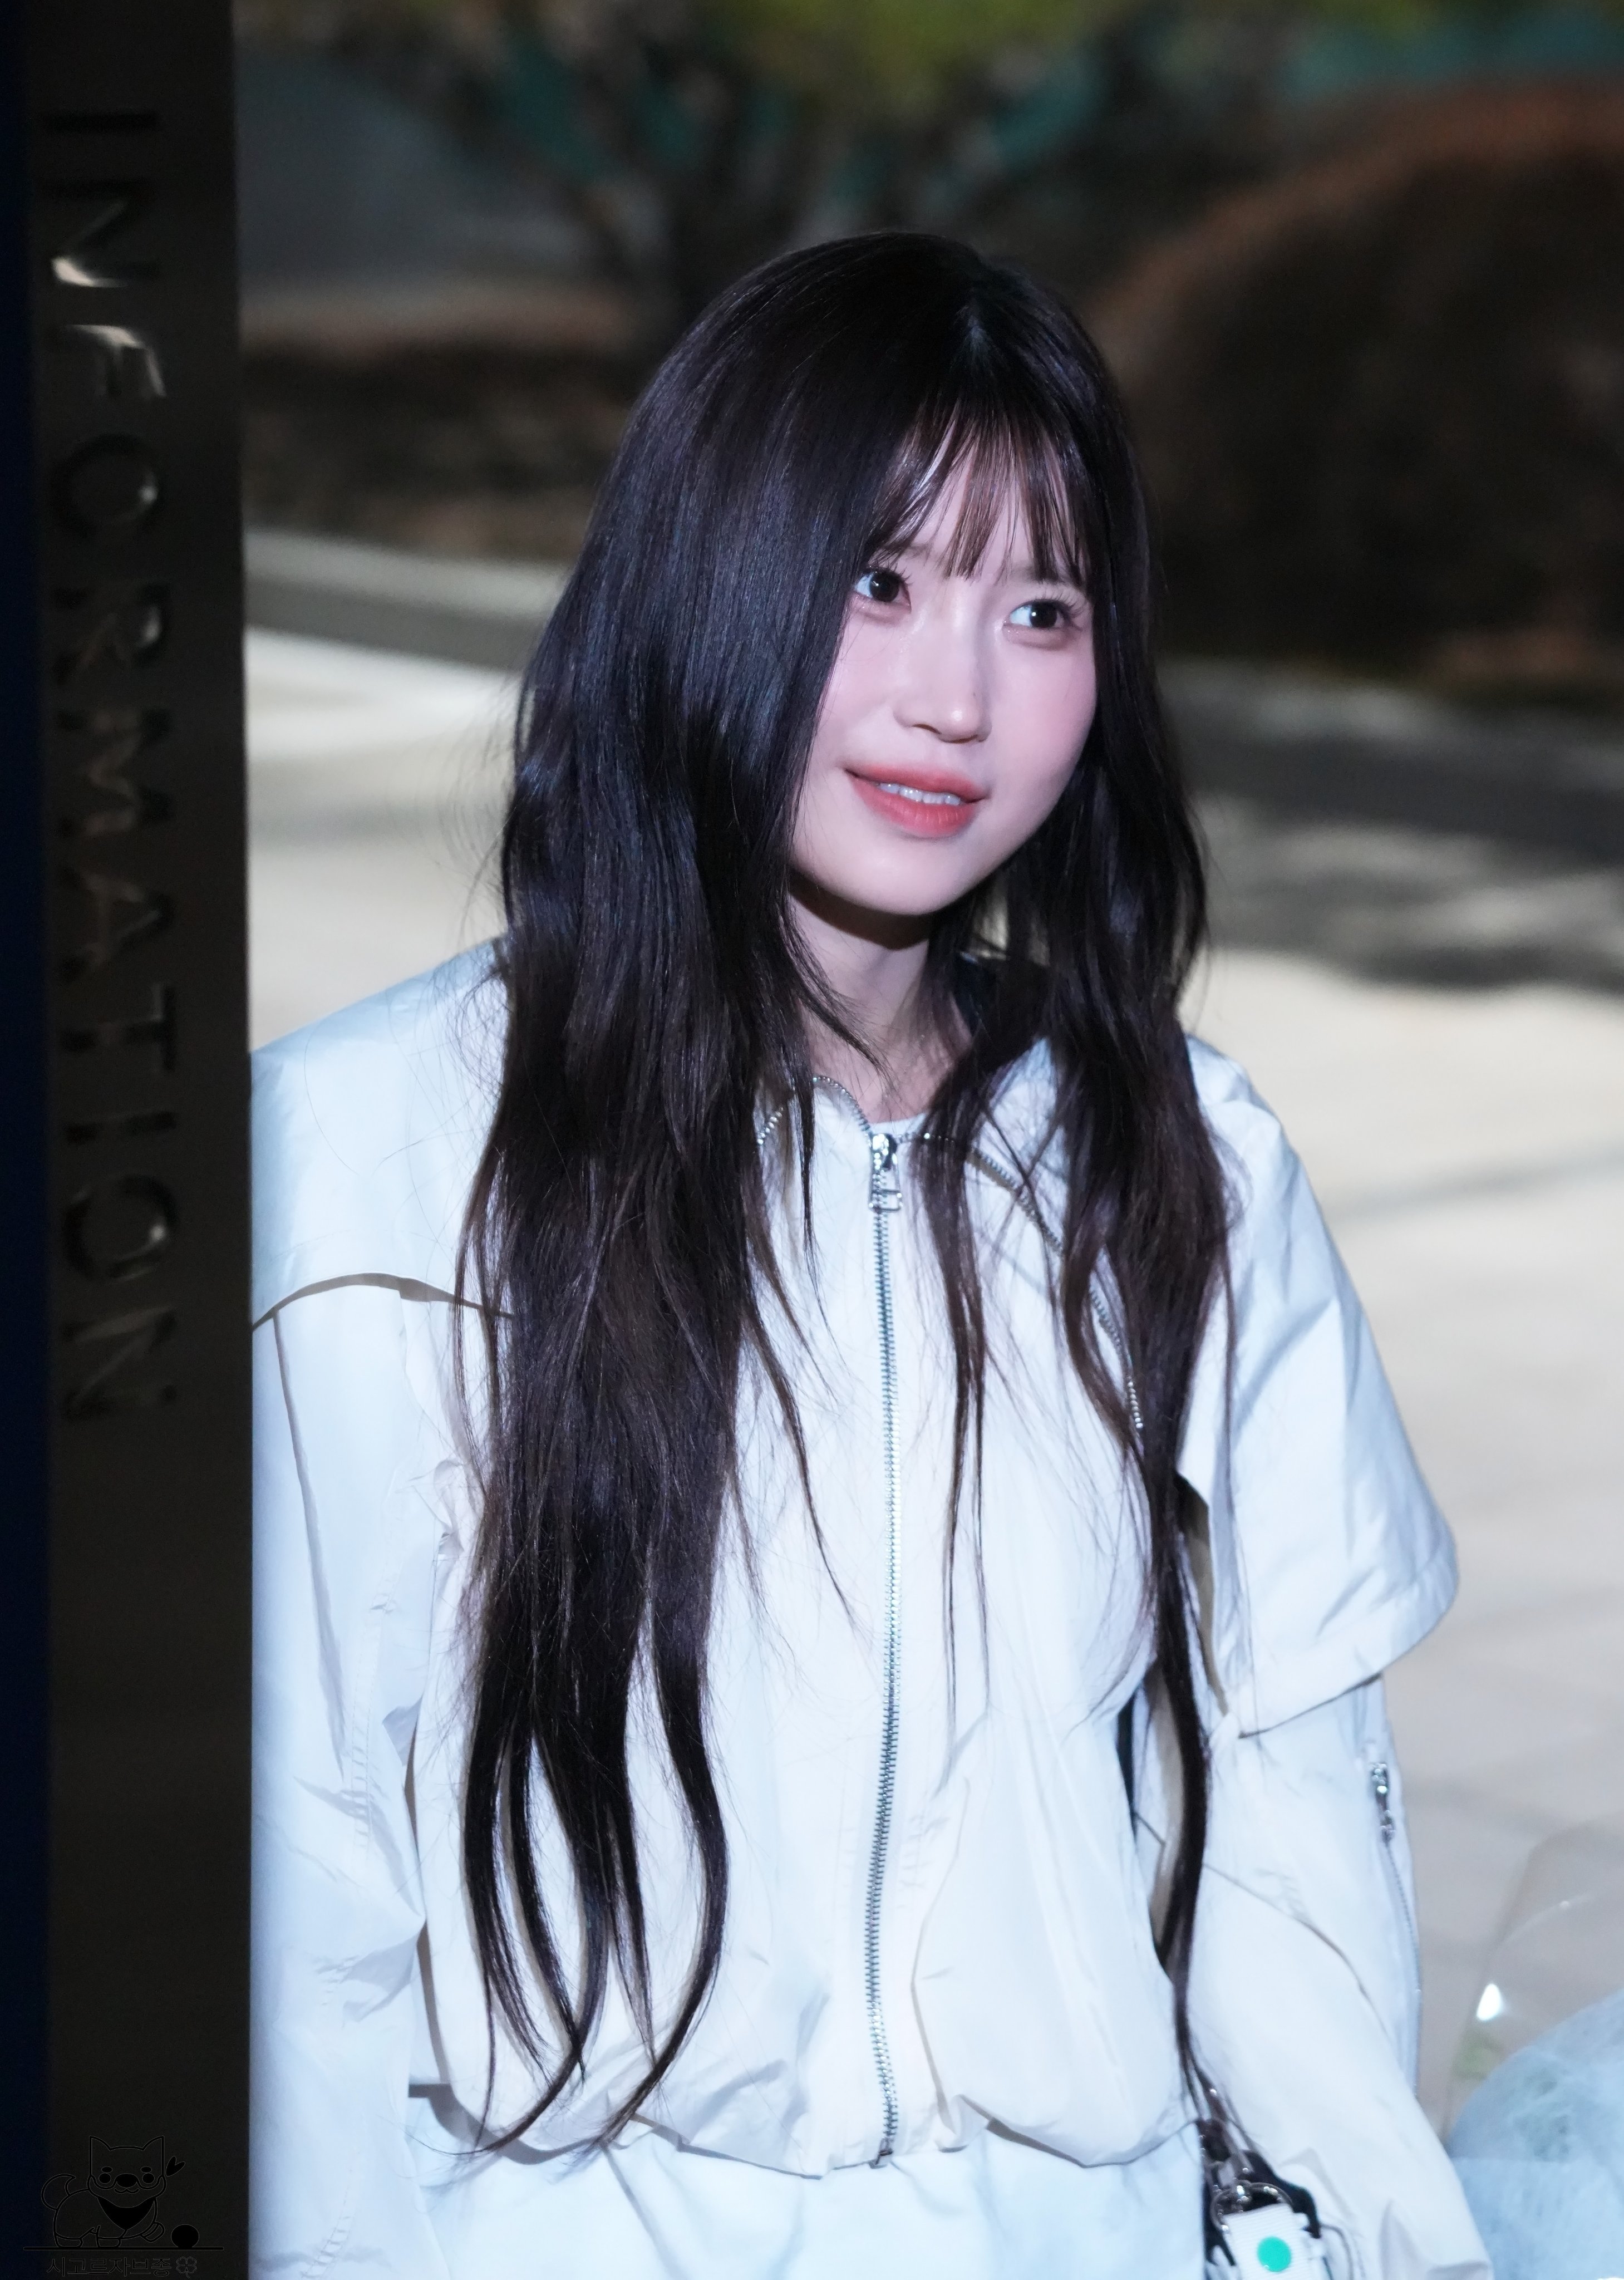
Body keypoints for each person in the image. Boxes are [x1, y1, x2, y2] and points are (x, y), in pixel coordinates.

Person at [250, 233, 1488, 2279]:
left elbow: (1294, 1868)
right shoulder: (368, 1169)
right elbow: (297, 1906)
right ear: (707, 579)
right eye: (877, 579)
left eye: (1043, 607)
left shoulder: (1187, 1164)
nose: (957, 697)